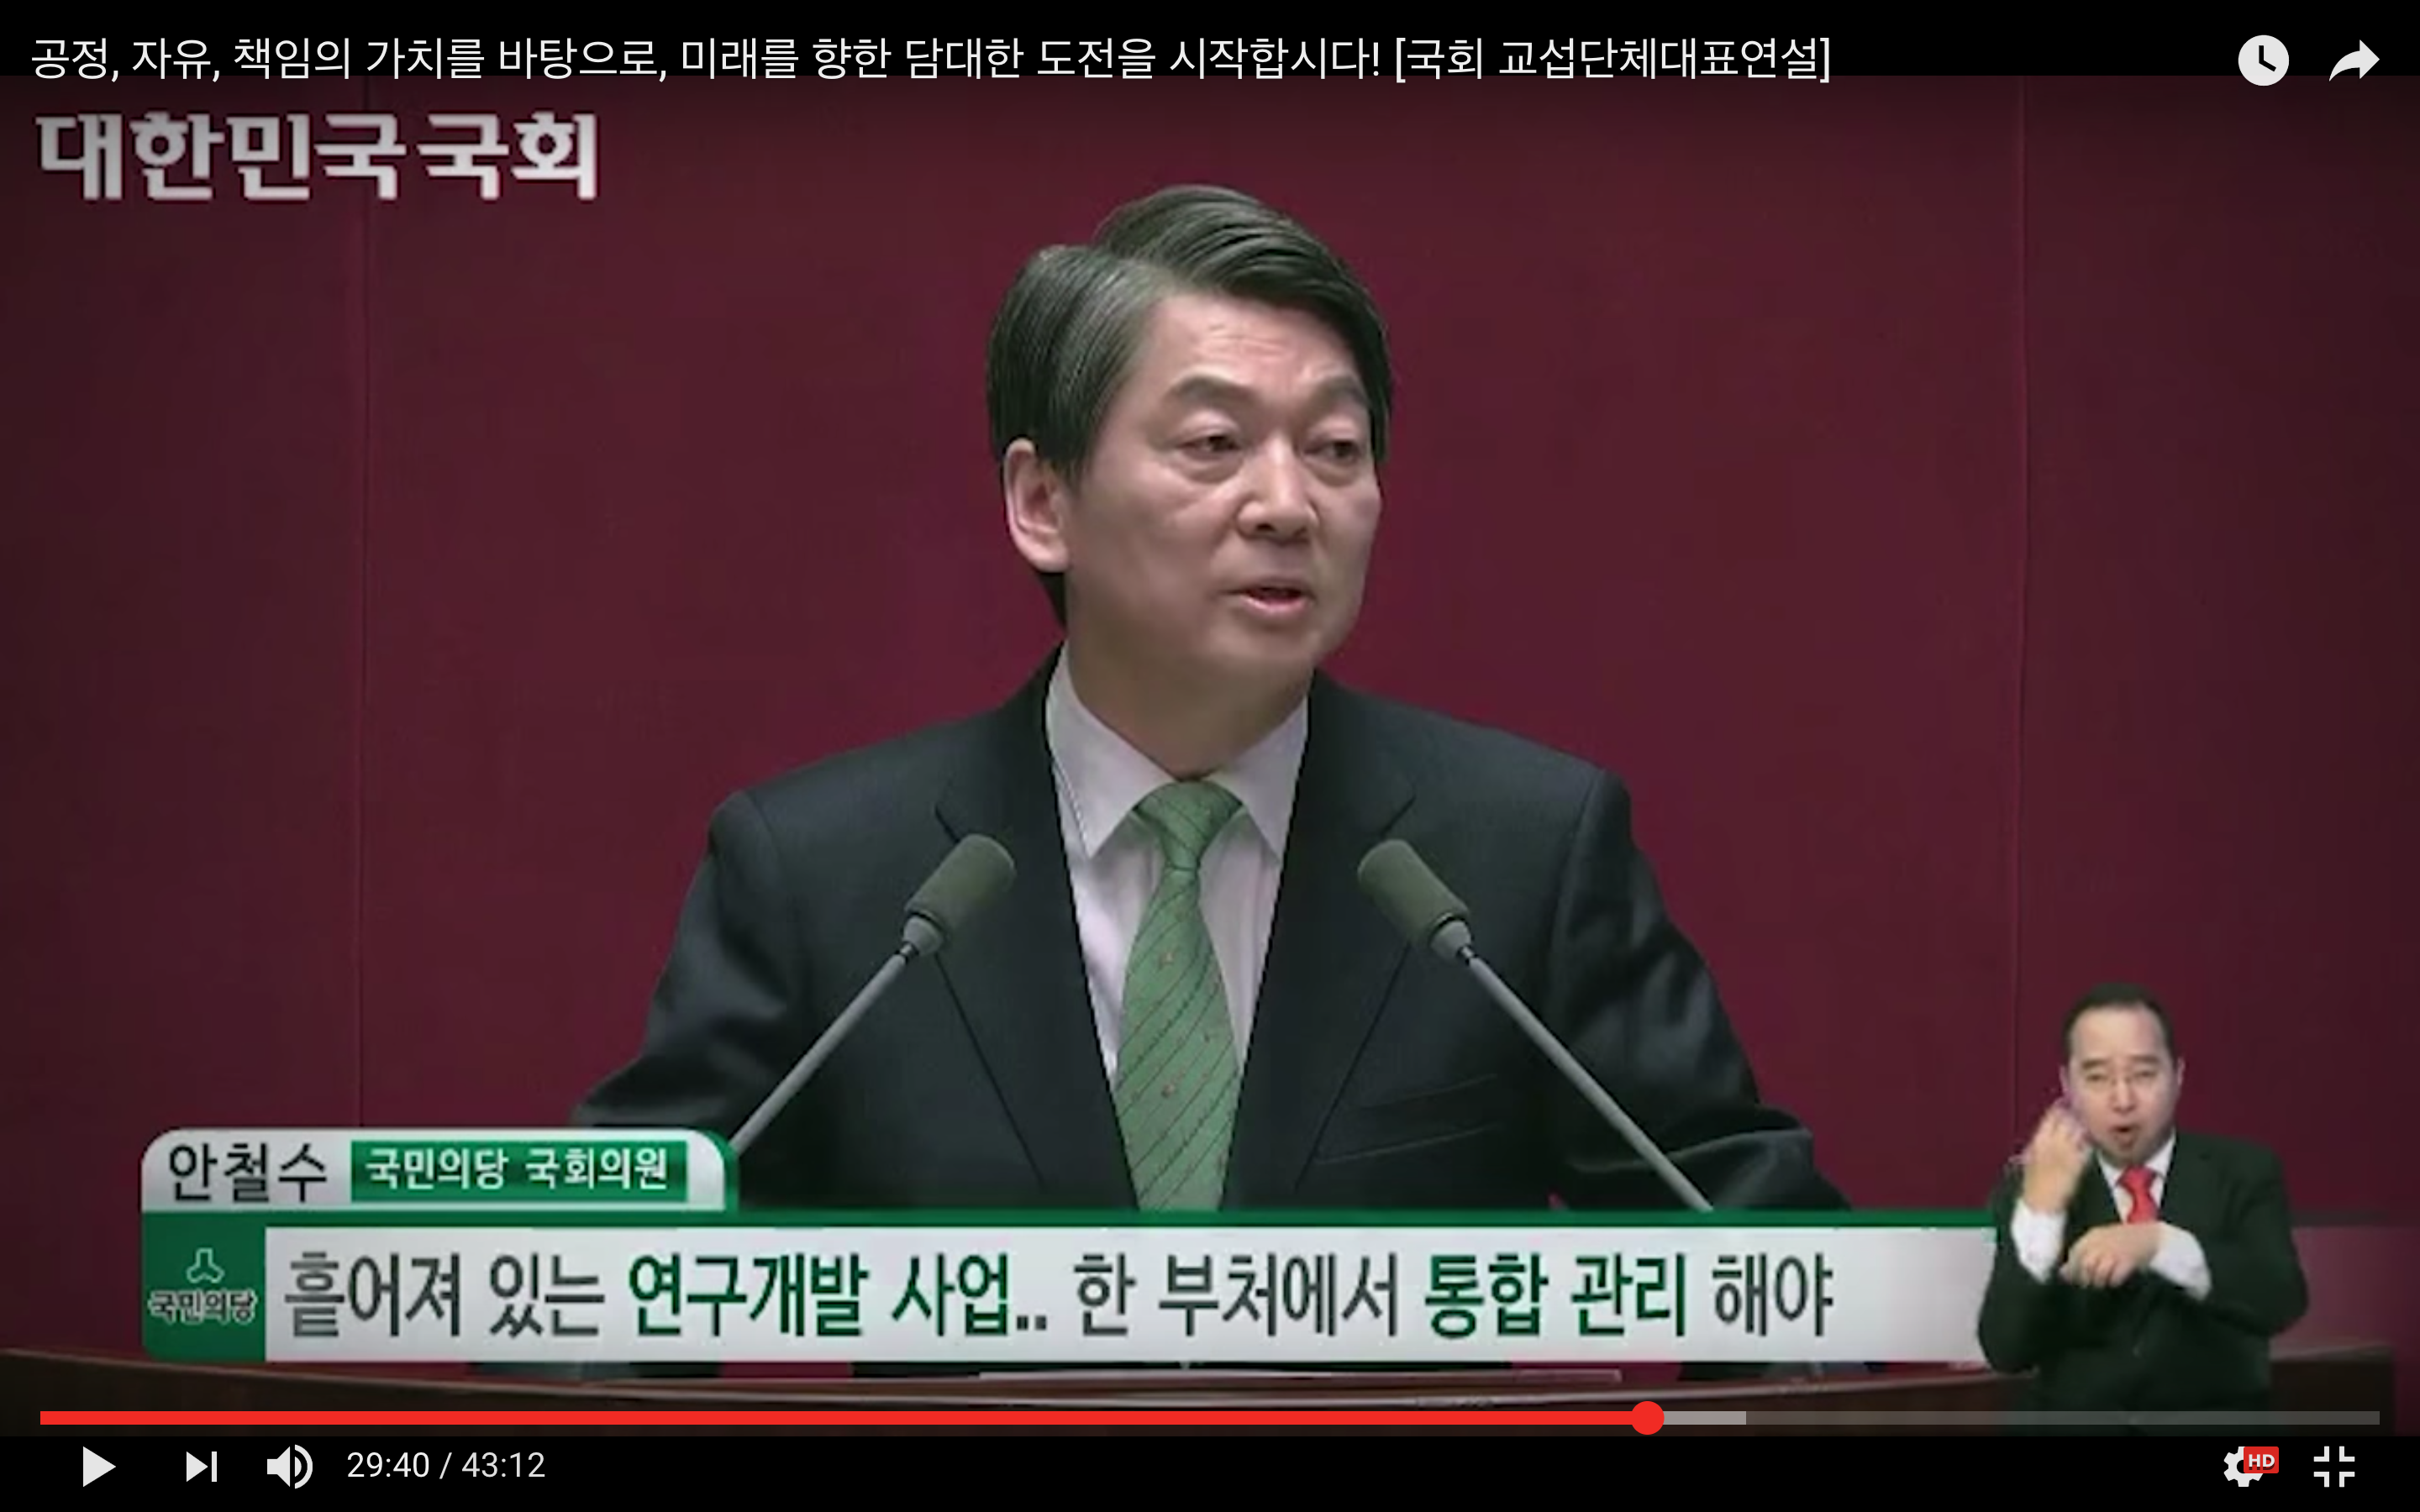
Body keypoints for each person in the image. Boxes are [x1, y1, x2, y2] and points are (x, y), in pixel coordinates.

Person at [568, 183, 1846, 1374]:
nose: (1287, 504)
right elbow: (589, 1288)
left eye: (1335, 448)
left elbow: (1783, 1272)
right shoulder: (827, 879)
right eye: (1215, 443)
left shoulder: (1520, 853)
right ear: (1042, 500)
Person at [1978, 984, 2307, 1431]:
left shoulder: (2244, 1171)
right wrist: (2042, 1214)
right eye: (2097, 1077)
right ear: (2068, 1085)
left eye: (2143, 1074)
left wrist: (2158, 1244)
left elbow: (2281, 1299)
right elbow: (2006, 1350)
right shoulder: (2033, 1185)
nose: (2122, 1100)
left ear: (2177, 1076)